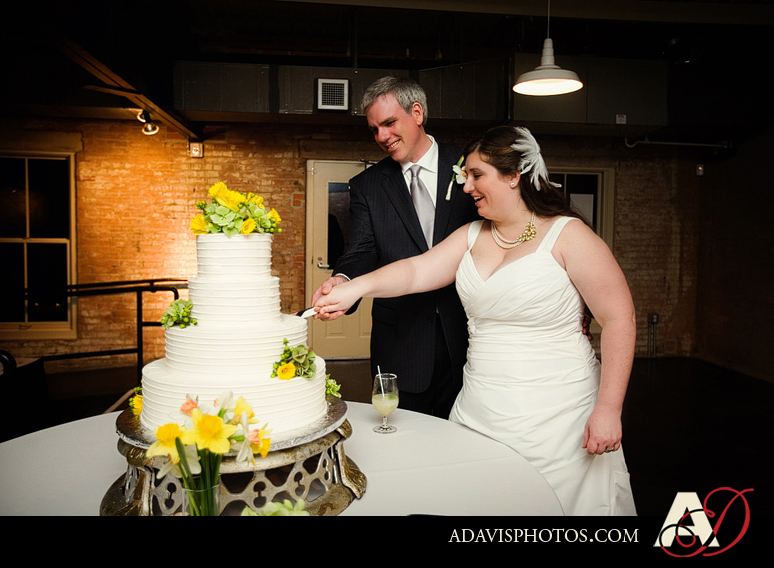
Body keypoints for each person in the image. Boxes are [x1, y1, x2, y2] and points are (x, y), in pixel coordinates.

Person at [315, 125, 637, 516]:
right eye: (465, 175)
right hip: (480, 405)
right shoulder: (471, 234)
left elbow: (619, 318)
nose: (466, 186)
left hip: (560, 413)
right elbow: (415, 271)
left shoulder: (569, 236)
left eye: (476, 175)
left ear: (514, 175)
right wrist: (354, 288)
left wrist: (609, 409)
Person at [312, 76, 479, 418]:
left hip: (467, 334)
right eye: (374, 129)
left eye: (389, 123)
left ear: (417, 113)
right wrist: (343, 279)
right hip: (401, 341)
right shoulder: (367, 186)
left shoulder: (470, 166)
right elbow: (361, 250)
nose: (382, 136)